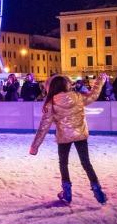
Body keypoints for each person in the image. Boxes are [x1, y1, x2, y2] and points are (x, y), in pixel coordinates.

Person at [30, 73, 109, 205]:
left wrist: (35, 146)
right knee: (86, 163)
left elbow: (43, 127)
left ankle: (67, 193)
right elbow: (93, 95)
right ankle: (98, 191)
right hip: (80, 134)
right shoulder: (78, 97)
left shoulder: (51, 103)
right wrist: (100, 81)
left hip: (64, 137)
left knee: (63, 163)